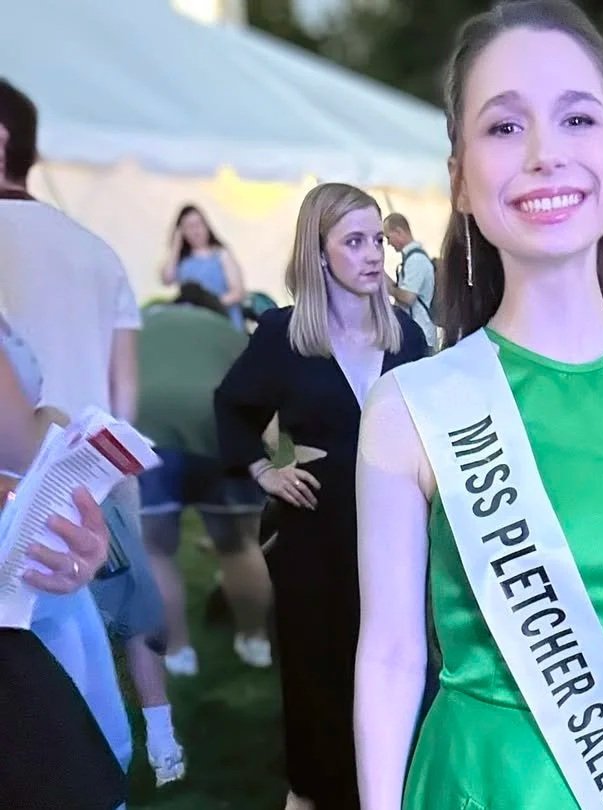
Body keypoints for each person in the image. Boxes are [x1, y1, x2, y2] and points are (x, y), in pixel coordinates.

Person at [354, 3, 603, 808]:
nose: (545, 154)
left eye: (577, 117)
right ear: (459, 179)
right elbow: (391, 655)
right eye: (503, 128)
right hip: (477, 784)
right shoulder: (410, 407)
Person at [215, 182, 427, 810]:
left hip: (397, 537)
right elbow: (232, 406)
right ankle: (315, 790)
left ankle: (386, 786)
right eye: (354, 241)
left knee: (396, 667)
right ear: (320, 252)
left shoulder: (406, 338)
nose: (373, 255)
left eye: (376, 241)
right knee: (316, 675)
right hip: (315, 534)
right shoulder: (283, 334)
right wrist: (262, 471)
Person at [0, 77, 145, 779]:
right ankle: (162, 741)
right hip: (82, 477)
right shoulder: (96, 250)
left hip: (31, 508)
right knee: (117, 632)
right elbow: (125, 389)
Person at [136, 283, 272, 675]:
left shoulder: (144, 322)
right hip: (220, 429)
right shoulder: (229, 331)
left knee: (155, 548)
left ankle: (178, 652)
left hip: (150, 428)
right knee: (239, 545)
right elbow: (258, 394)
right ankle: (255, 641)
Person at [161, 205, 247, 330]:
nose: (196, 231)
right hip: (192, 321)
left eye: (198, 224)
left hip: (221, 316)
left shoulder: (221, 255)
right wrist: (175, 247)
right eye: (189, 227)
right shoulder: (183, 260)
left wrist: (208, 305)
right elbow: (167, 279)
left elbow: (237, 292)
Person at [385, 212, 438, 349]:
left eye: (388, 237)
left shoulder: (416, 260)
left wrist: (389, 289)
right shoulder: (411, 259)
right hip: (417, 334)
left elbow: (408, 297)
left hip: (421, 335)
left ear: (399, 232)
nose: (389, 243)